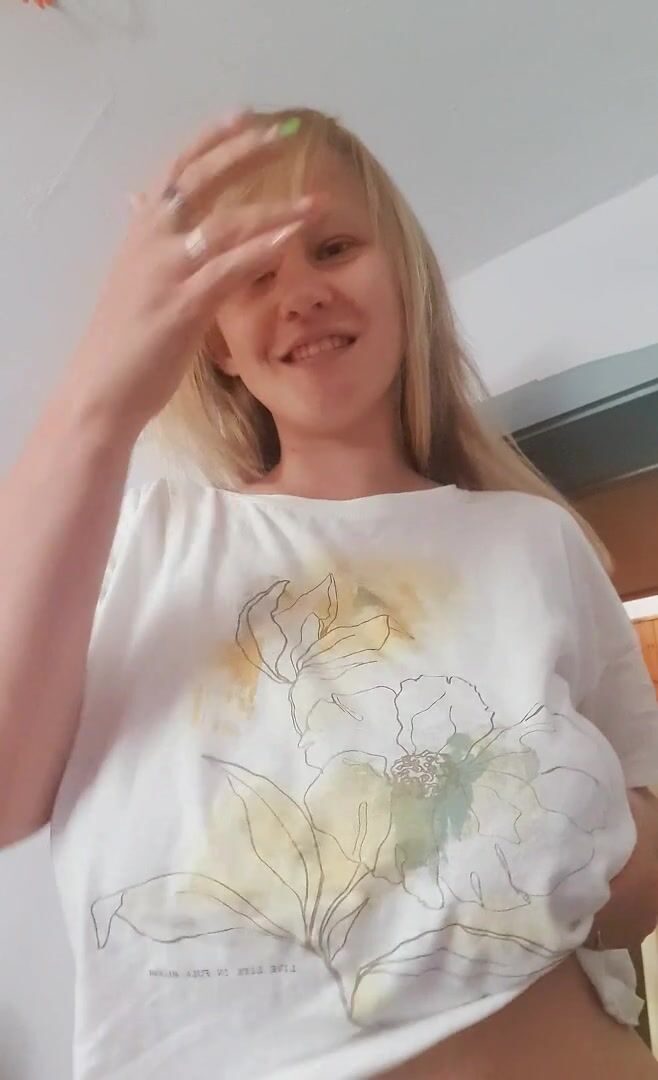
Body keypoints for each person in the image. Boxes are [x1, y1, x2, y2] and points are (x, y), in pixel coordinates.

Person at [1, 107, 658, 1080]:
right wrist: (98, 397)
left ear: (402, 280)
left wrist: (536, 857)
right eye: (252, 274)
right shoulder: (138, 539)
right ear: (215, 341)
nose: (301, 293)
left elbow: (638, 859)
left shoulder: (535, 539)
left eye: (333, 248)